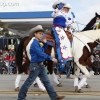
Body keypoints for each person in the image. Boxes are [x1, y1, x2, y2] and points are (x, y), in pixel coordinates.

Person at [17, 25, 65, 100]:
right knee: (28, 83)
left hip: (40, 66)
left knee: (47, 82)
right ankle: (21, 97)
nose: (41, 35)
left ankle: (54, 97)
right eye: (39, 33)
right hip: (35, 66)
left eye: (42, 34)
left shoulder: (38, 43)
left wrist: (45, 44)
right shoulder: (34, 44)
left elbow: (42, 50)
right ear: (35, 34)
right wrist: (51, 58)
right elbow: (41, 54)